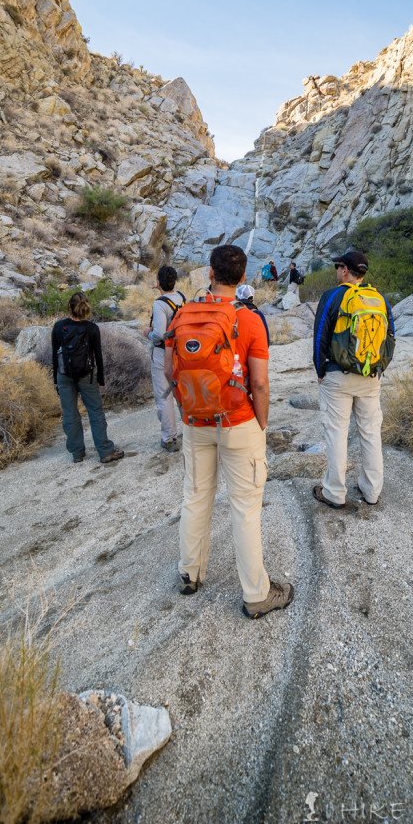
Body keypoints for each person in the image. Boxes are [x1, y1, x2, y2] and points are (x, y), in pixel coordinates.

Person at [165, 244, 293, 619]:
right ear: (243, 278)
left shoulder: (182, 315)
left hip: (195, 423)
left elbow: (173, 372)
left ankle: (190, 573)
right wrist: (262, 423)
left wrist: (188, 409)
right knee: (245, 509)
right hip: (237, 423)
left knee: (195, 497)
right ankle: (256, 594)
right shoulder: (250, 320)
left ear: (210, 272)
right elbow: (261, 384)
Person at [311, 251, 394, 510]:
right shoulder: (379, 299)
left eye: (338, 267)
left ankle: (335, 493)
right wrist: (379, 368)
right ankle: (371, 491)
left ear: (345, 270)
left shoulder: (334, 295)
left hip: (338, 375)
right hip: (370, 377)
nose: (337, 271)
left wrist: (320, 369)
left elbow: (320, 336)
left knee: (337, 433)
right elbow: (390, 337)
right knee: (370, 434)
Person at [52, 292, 124, 464]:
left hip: (64, 375)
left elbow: (55, 355)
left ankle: (77, 453)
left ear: (69, 306)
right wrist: (100, 379)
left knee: (70, 414)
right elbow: (98, 356)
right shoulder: (92, 329)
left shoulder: (58, 327)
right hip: (87, 375)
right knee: (95, 412)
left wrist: (56, 379)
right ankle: (105, 451)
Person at [146, 265, 185, 452]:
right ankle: (194, 429)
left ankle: (169, 438)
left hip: (163, 354)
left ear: (159, 282)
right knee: (183, 393)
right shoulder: (183, 298)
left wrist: (148, 333)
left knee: (165, 396)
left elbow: (160, 334)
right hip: (183, 352)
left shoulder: (159, 304)